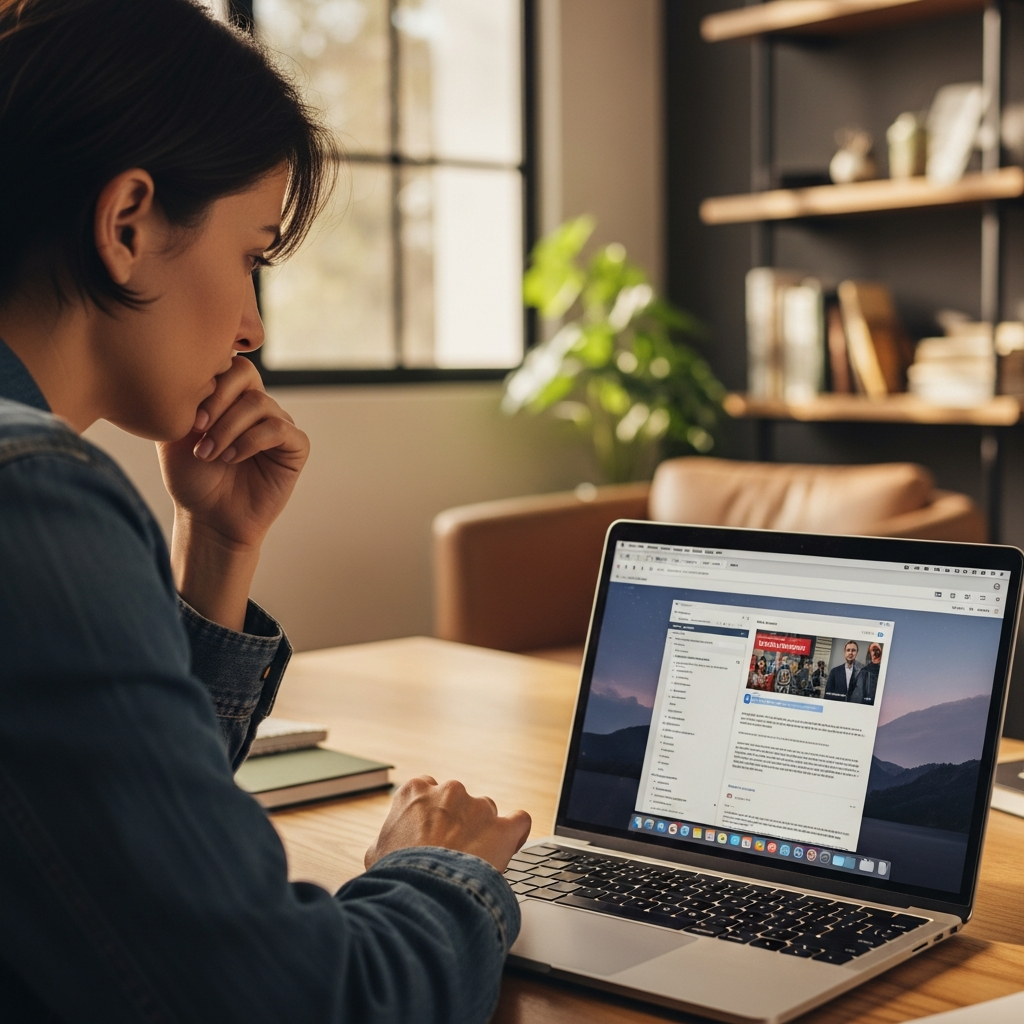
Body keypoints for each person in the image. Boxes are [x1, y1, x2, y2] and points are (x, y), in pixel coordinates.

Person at [0, 2, 530, 1021]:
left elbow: (121, 840)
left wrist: (216, 546)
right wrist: (439, 871)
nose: (249, 329)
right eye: (250, 255)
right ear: (128, 224)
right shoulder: (31, 494)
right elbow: (306, 1004)